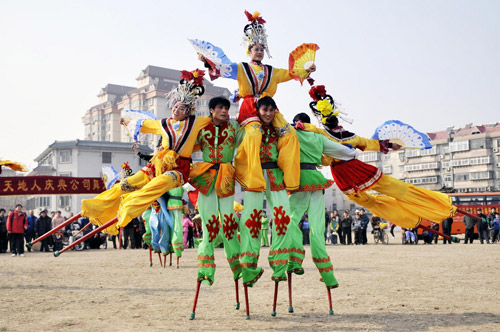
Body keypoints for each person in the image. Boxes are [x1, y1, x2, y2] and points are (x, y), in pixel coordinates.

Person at [300, 85, 458, 231]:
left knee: (384, 193)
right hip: (349, 170)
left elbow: (368, 143)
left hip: (345, 172)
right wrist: (389, 145)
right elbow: (369, 143)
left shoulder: (325, 134)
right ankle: (412, 215)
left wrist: (390, 145)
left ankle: (431, 208)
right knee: (386, 192)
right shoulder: (348, 137)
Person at [81, 69, 212, 234]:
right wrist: (127, 122)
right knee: (126, 184)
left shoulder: (195, 122)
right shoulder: (163, 123)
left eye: (181, 108)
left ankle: (128, 208)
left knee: (153, 187)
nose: (176, 110)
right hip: (156, 165)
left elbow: (214, 119)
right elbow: (145, 125)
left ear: (188, 111)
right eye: (175, 106)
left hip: (178, 170)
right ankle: (96, 206)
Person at [196, 11, 309, 195]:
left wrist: (306, 70)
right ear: (249, 50)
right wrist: (207, 62)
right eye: (256, 49)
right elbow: (222, 68)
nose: (259, 52)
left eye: (262, 49)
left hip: (269, 107)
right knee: (254, 135)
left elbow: (290, 74)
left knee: (289, 135)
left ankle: (290, 179)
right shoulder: (241, 68)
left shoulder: (272, 71)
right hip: (250, 108)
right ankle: (253, 177)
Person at [237, 96, 300, 288]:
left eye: (271, 110)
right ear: (257, 110)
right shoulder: (248, 129)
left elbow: (290, 143)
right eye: (264, 109)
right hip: (254, 175)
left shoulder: (279, 130)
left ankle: (279, 265)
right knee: (251, 221)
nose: (268, 113)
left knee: (283, 219)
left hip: (275, 175)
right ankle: (249, 267)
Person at [288, 112, 355, 291]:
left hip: (299, 180)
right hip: (316, 182)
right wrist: (350, 148)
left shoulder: (291, 133)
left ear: (296, 123)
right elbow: (345, 151)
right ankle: (327, 275)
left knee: (291, 221)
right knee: (317, 229)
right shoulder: (318, 137)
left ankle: (295, 260)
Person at [188, 96, 243, 285]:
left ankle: (237, 267)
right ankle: (205, 270)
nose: (224, 111)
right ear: (211, 110)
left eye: (226, 108)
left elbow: (248, 134)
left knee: (229, 223)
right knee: (209, 226)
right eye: (220, 107)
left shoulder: (234, 128)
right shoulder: (201, 128)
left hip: (226, 177)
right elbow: (185, 143)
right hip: (206, 179)